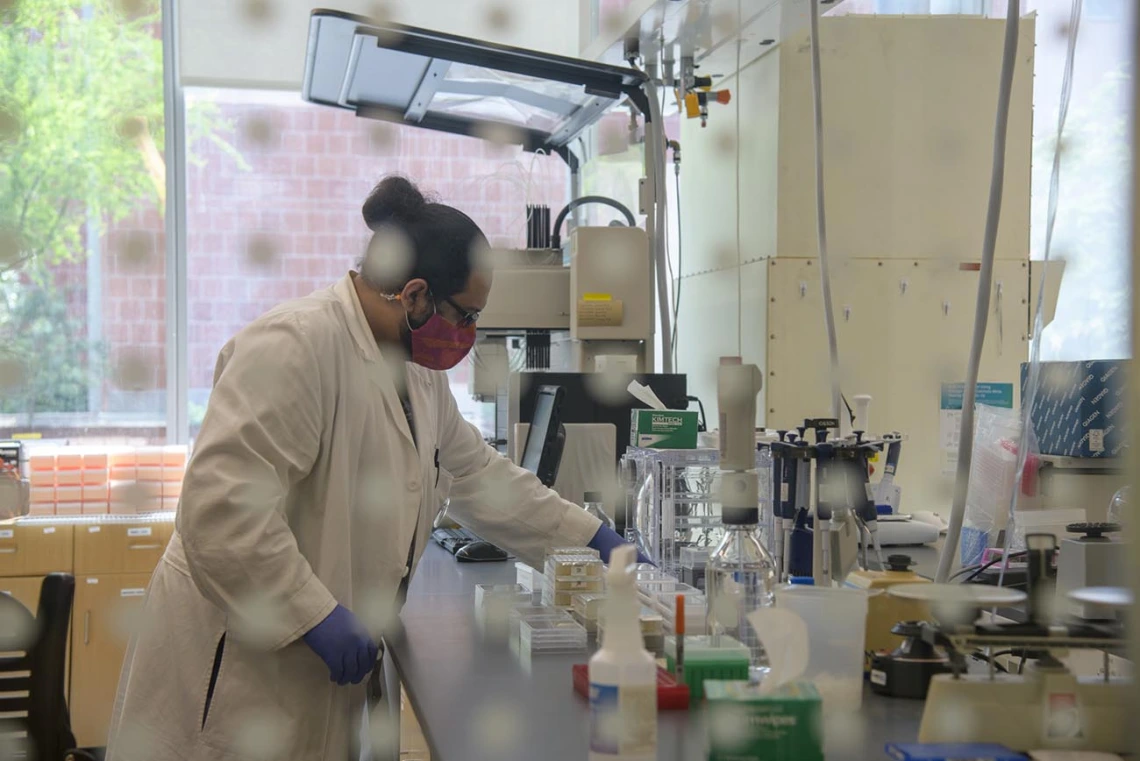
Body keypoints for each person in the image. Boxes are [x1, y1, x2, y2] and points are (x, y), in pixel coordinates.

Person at [105, 176, 641, 761]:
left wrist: (593, 540)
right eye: (466, 316)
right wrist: (314, 615)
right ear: (414, 295)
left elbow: (474, 474)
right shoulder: (293, 346)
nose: (470, 336)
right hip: (233, 669)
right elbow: (219, 510)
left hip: (310, 678)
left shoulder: (416, 373)